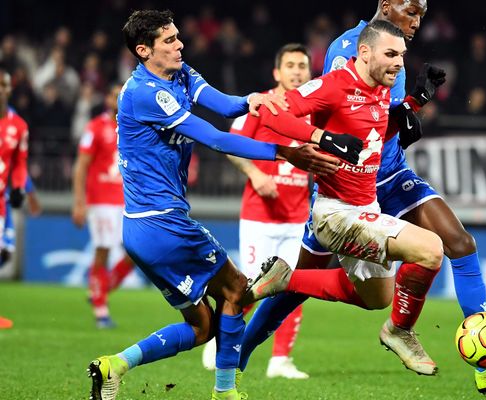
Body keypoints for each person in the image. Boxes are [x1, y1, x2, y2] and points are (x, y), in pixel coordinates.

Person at [242, 0, 486, 394]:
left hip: (391, 174)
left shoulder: (391, 52)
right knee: (299, 288)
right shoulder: (349, 52)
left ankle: (483, 363)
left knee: (460, 244)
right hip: (345, 188)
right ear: (387, 6)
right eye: (411, 11)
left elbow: (380, 118)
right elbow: (341, 116)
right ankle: (239, 353)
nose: (418, 22)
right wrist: (321, 143)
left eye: (422, 14)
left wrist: (415, 104)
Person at [86, 10, 355, 400]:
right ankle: (226, 391)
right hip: (164, 224)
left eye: (178, 36)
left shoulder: (180, 73)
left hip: (142, 229)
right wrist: (285, 153)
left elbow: (225, 107)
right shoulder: (145, 93)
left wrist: (253, 100)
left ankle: (115, 365)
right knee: (237, 291)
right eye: (169, 41)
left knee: (201, 327)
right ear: (143, 50)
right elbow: (215, 138)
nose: (180, 44)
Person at [240, 18, 444, 380]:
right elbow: (274, 114)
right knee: (430, 249)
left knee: (377, 299)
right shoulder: (334, 85)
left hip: (365, 208)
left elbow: (374, 127)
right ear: (364, 53)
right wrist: (321, 137)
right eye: (391, 54)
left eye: (402, 55)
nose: (399, 63)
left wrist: (415, 103)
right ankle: (400, 332)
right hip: (335, 213)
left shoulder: (381, 88)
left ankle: (286, 281)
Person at [202, 43, 313, 379]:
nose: (297, 71)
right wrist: (256, 174)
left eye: (302, 65)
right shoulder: (262, 105)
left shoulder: (314, 109)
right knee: (248, 287)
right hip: (259, 217)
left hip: (297, 219)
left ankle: (280, 360)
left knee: (294, 288)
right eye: (290, 65)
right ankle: (220, 338)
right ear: (277, 72)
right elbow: (231, 147)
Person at [72, 83, 137, 329]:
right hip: (101, 200)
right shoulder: (95, 127)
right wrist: (79, 202)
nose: (117, 98)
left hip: (128, 200)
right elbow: (81, 166)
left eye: (121, 94)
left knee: (136, 254)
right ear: (107, 99)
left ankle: (99, 291)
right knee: (103, 251)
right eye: (113, 94)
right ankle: (101, 311)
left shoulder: (133, 126)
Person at [0, 66, 29, 330]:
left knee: (5, 253)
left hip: (1, 200)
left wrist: (19, 187)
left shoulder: (18, 126)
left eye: (4, 85)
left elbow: (19, 162)